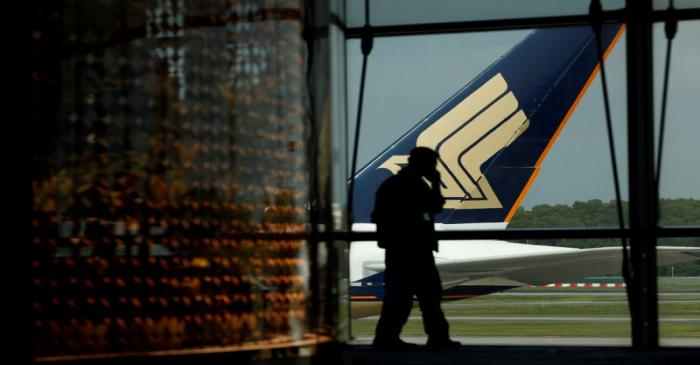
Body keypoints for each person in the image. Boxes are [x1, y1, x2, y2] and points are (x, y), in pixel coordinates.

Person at [371, 147, 461, 351]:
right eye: (432, 163)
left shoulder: (394, 184)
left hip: (399, 249)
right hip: (413, 250)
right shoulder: (412, 184)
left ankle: (387, 337)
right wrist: (436, 182)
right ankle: (436, 338)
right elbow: (435, 206)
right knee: (428, 297)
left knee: (399, 297)